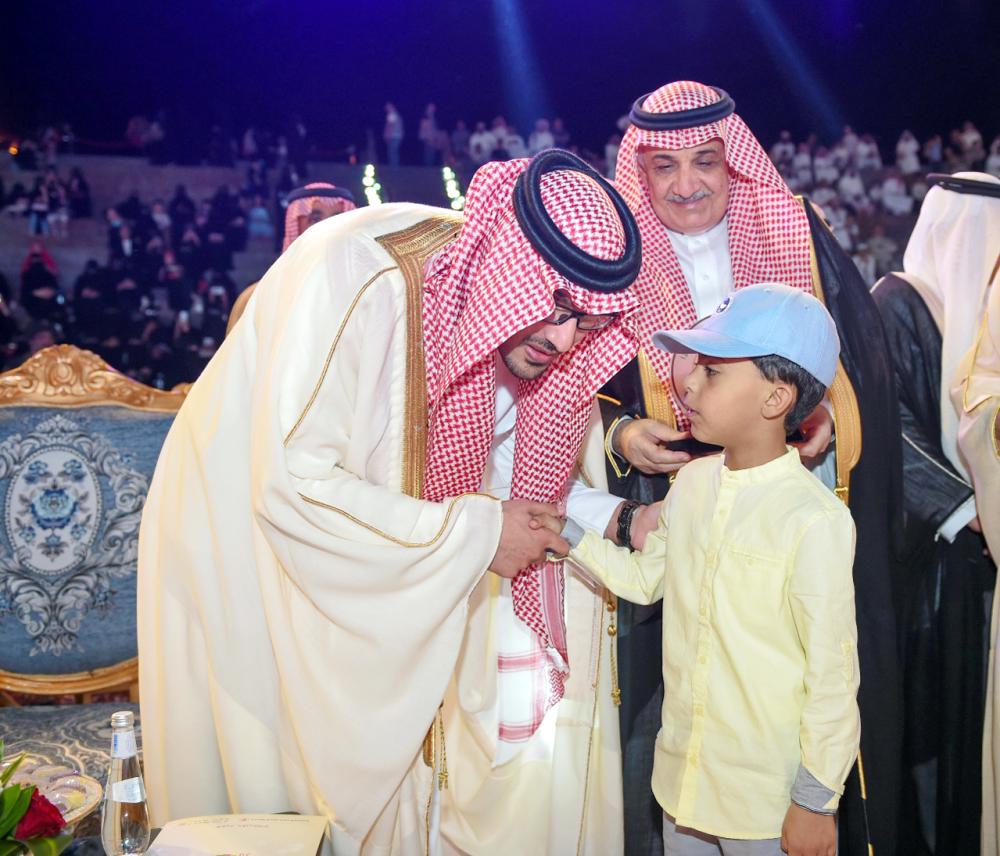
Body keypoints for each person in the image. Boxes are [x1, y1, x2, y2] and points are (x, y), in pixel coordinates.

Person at [138, 149, 647, 855]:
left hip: (375, 534)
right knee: (286, 777)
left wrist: (614, 518)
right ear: (515, 273)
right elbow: (295, 486)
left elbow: (509, 462)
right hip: (245, 536)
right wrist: (475, 536)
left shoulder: (515, 322)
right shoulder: (360, 279)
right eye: (557, 309)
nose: (564, 340)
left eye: (587, 326)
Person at [605, 81, 901, 855]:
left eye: (705, 162)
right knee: (676, 697)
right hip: (667, 496)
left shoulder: (797, 231)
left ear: (734, 164)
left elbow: (861, 365)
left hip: (784, 490)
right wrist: (622, 432)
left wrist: (823, 412)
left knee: (790, 667)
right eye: (664, 166)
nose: (686, 184)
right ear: (641, 171)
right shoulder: (614, 250)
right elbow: (576, 381)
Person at [541, 283, 859, 856]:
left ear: (775, 399)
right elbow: (646, 580)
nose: (686, 383)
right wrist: (568, 537)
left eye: (711, 372)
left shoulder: (814, 519)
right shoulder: (690, 483)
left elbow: (832, 676)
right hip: (683, 785)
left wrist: (815, 802)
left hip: (766, 804)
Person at [872, 171, 999, 855]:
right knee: (932, 732)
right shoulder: (894, 302)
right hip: (930, 564)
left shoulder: (990, 321)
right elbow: (884, 429)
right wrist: (967, 508)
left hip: (986, 560)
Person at [383, 102, 404, 166]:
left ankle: (394, 168)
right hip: (397, 136)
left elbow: (390, 126)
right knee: (394, 152)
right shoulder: (396, 114)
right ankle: (395, 167)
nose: (387, 108)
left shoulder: (392, 114)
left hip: (394, 136)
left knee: (392, 152)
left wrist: (388, 136)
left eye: (388, 107)